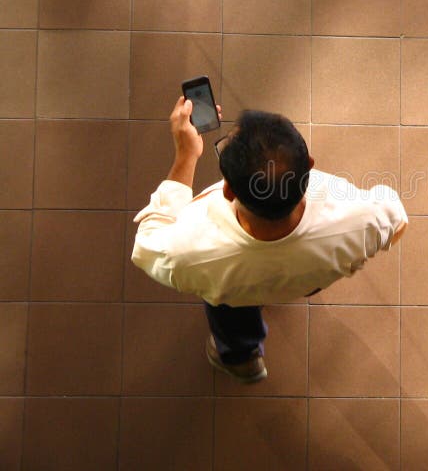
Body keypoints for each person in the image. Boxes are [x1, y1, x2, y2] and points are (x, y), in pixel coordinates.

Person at [131, 97, 408, 383]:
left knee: (232, 322)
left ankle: (242, 361)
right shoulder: (359, 217)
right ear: (309, 164)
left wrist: (186, 155)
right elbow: (396, 220)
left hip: (233, 292)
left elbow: (148, 242)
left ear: (229, 191)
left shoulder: (190, 253)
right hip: (308, 279)